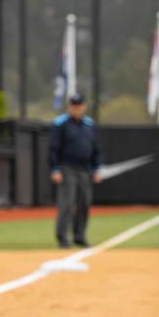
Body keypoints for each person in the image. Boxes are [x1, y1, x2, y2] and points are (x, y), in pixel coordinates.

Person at [49, 93, 102, 249]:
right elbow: (53, 149)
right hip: (67, 167)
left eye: (79, 106)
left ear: (84, 107)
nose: (76, 109)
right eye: (73, 106)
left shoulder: (89, 124)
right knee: (67, 202)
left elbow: (96, 148)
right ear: (69, 107)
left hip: (85, 168)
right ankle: (62, 237)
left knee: (84, 202)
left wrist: (97, 168)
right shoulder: (60, 124)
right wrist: (55, 169)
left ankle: (79, 236)